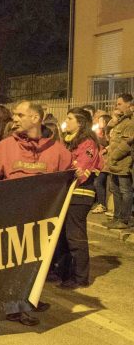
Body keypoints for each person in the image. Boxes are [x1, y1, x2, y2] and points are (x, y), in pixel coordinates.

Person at [0, 100, 73, 325]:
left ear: (35, 118)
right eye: (14, 114)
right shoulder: (4, 148)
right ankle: (14, 308)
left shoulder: (58, 151)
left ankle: (27, 300)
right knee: (13, 266)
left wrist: (79, 176)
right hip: (11, 221)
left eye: (20, 115)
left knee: (35, 266)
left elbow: (68, 180)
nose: (15, 119)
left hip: (42, 224)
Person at [51, 108, 103, 289]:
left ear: (80, 123)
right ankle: (63, 273)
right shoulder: (67, 141)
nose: (66, 121)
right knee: (63, 236)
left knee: (75, 236)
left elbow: (80, 169)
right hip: (67, 193)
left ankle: (80, 277)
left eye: (70, 118)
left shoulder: (88, 143)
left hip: (80, 194)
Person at [101, 94, 134, 229]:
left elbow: (127, 144)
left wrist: (114, 156)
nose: (117, 106)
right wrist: (112, 121)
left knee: (125, 191)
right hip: (114, 163)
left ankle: (124, 220)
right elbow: (109, 136)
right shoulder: (120, 121)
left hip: (123, 163)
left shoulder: (130, 123)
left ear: (128, 104)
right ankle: (116, 217)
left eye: (119, 104)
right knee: (115, 189)